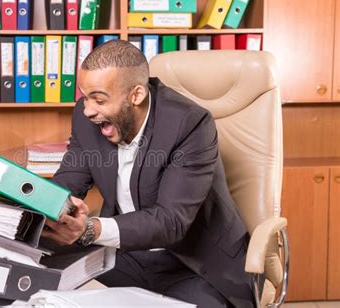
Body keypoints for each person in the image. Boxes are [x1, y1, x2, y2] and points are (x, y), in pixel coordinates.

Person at [42, 40, 254, 307]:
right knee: (35, 274)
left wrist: (89, 229)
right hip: (124, 254)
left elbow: (170, 221)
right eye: (85, 97)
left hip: (192, 265)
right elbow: (70, 179)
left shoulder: (190, 124)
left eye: (98, 99)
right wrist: (46, 208)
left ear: (136, 95)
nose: (87, 110)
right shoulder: (86, 117)